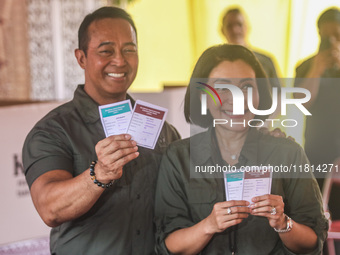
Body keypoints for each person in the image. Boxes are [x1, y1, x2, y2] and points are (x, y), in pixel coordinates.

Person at [22, 7, 180, 255]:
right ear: (81, 58)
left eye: (129, 49)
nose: (120, 60)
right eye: (106, 51)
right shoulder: (53, 130)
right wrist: (100, 173)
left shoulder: (163, 131)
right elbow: (49, 208)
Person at [154, 44, 327, 254]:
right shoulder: (179, 157)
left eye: (246, 87)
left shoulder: (288, 154)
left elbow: (313, 242)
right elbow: (167, 245)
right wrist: (208, 225)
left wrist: (283, 223)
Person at [294, 7, 340, 220]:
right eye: (326, 37)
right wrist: (317, 70)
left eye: (337, 36)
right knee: (317, 217)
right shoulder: (305, 66)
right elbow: (302, 103)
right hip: (316, 153)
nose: (331, 42)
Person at [221, 7, 281, 90]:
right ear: (222, 30)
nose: (235, 30)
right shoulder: (212, 63)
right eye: (229, 26)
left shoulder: (266, 62)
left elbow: (279, 96)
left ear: (247, 27)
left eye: (239, 24)